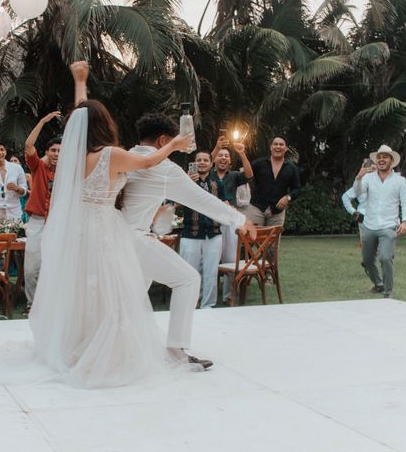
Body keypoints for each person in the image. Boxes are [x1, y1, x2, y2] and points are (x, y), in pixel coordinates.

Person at [29, 62, 196, 388]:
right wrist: (174, 145)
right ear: (105, 124)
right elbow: (148, 160)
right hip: (105, 228)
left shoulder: (73, 158)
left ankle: (77, 343)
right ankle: (104, 349)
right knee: (111, 289)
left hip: (78, 230)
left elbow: (82, 115)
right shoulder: (111, 155)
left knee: (82, 287)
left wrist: (80, 81)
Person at [120, 113, 256, 369]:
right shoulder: (163, 169)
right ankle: (176, 352)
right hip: (134, 240)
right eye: (175, 142)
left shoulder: (126, 157)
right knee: (188, 279)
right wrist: (241, 220)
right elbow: (202, 200)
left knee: (131, 296)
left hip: (114, 239)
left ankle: (116, 347)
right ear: (163, 141)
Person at [353, 145, 406, 298]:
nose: (381, 160)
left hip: (388, 226)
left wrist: (405, 221)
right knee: (366, 261)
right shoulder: (368, 177)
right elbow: (357, 193)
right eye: (379, 157)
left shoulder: (400, 181)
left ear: (391, 161)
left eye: (385, 157)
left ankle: (388, 293)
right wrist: (358, 177)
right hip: (369, 225)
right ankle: (379, 284)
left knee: (385, 257)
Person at [23, 112, 62, 313]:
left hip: (60, 224)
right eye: (53, 150)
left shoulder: (69, 172)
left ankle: (52, 307)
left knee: (56, 268)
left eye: (60, 151)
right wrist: (43, 121)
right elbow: (29, 146)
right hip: (37, 222)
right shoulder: (37, 167)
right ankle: (32, 305)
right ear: (47, 152)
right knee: (31, 270)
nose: (56, 153)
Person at [180, 150, 229, 308]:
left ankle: (208, 306)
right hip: (190, 234)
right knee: (189, 273)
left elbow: (225, 206)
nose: (202, 162)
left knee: (211, 273)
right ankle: (189, 304)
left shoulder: (218, 183)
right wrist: (186, 183)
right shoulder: (183, 182)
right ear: (194, 163)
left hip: (213, 235)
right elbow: (174, 203)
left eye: (205, 160)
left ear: (210, 163)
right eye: (198, 160)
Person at [210, 138, 254, 304]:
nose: (222, 158)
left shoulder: (234, 175)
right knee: (210, 260)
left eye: (226, 156)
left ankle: (228, 296)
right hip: (211, 221)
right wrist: (217, 147)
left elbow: (249, 175)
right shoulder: (208, 174)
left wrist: (242, 153)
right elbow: (203, 163)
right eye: (220, 155)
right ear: (214, 159)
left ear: (229, 161)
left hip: (230, 221)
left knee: (230, 259)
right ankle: (208, 296)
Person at [246, 136, 301, 227]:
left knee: (273, 241)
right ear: (271, 147)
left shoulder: (291, 168)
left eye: (281, 144)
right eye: (275, 144)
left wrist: (288, 197)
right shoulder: (259, 163)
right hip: (256, 208)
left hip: (277, 212)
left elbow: (297, 189)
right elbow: (245, 175)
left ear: (286, 148)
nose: (278, 147)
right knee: (252, 239)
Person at [9, 155, 31, 223]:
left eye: (15, 160)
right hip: (12, 205)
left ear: (20, 163)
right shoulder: (7, 177)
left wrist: (22, 189)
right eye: (11, 161)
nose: (13, 162)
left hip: (24, 204)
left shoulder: (27, 176)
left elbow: (33, 193)